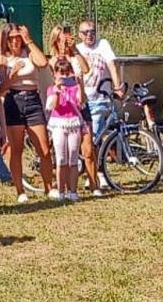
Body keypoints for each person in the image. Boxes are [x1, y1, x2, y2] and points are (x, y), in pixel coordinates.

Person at [0, 24, 54, 202]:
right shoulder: (3, 59)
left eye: (18, 37)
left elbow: (43, 63)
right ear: (6, 39)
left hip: (32, 99)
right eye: (11, 37)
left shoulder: (28, 53)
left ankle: (49, 187)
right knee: (17, 149)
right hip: (13, 100)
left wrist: (29, 40)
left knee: (44, 149)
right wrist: (12, 75)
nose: (15, 41)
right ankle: (20, 191)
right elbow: (0, 89)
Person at [47, 25, 103, 196]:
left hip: (80, 106)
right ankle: (62, 188)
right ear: (55, 41)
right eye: (61, 40)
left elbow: (86, 70)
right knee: (62, 154)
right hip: (62, 109)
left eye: (67, 40)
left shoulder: (75, 57)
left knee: (88, 148)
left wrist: (75, 51)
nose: (64, 44)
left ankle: (94, 185)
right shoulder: (52, 61)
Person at [75, 20, 121, 195]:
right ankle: (92, 172)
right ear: (80, 34)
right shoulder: (77, 49)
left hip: (100, 97)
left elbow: (112, 65)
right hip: (82, 99)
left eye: (92, 31)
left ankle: (95, 172)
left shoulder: (103, 45)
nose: (89, 35)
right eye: (85, 32)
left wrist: (117, 86)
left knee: (95, 139)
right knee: (89, 140)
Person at [45, 55, 86, 202]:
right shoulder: (51, 89)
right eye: (61, 72)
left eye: (67, 72)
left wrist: (80, 84)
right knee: (61, 158)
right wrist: (57, 89)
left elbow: (81, 101)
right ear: (55, 74)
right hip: (59, 123)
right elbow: (54, 106)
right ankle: (61, 191)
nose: (64, 76)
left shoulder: (74, 88)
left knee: (73, 157)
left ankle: (73, 191)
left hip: (73, 122)